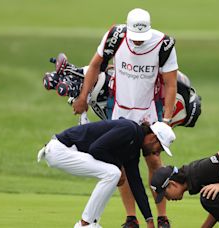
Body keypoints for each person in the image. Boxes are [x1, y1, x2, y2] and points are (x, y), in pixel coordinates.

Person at [72, 8, 178, 227]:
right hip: (119, 110)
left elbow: (170, 84)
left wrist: (166, 121)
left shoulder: (163, 44)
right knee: (120, 164)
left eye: (142, 38)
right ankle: (131, 217)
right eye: (135, 38)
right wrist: (83, 97)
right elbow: (94, 66)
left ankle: (162, 217)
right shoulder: (116, 36)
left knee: (153, 160)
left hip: (149, 111)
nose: (138, 42)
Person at [37, 119, 176, 228]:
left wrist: (149, 219)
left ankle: (91, 223)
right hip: (60, 150)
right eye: (160, 148)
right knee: (113, 173)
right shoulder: (129, 130)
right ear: (153, 137)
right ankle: (85, 224)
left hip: (67, 151)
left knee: (113, 173)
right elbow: (96, 149)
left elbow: (136, 183)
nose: (157, 152)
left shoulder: (133, 147)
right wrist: (119, 167)